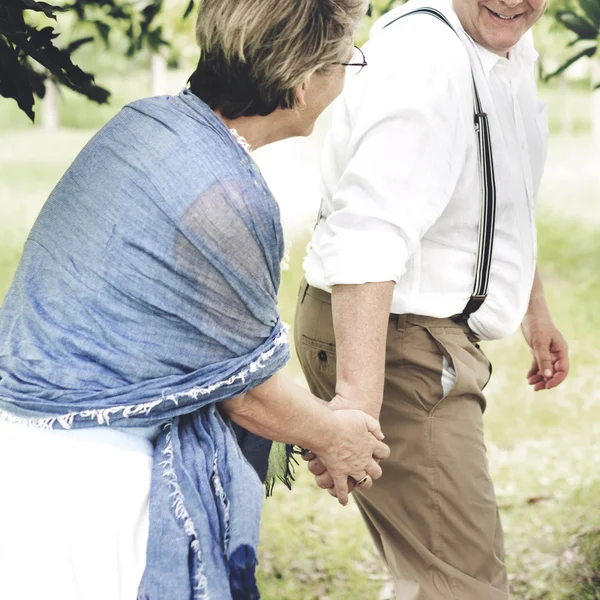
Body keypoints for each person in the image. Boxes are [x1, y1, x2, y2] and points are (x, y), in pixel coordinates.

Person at [0, 0, 391, 599]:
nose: (347, 74)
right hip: (91, 490)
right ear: (301, 82)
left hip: (26, 450)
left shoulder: (148, 122)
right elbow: (247, 393)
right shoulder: (224, 193)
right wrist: (335, 437)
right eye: (347, 59)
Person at [294, 0, 570, 598]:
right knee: (461, 581)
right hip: (395, 334)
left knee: (433, 568)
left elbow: (500, 195)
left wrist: (533, 308)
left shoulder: (506, 49)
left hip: (415, 327)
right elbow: (367, 233)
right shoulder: (429, 60)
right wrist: (356, 408)